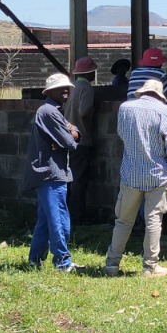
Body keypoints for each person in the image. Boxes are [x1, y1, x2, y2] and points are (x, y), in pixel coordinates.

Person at [105, 79, 167, 278]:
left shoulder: (125, 108)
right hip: (158, 174)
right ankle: (150, 266)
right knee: (153, 221)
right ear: (159, 94)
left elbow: (121, 134)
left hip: (130, 172)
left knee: (123, 220)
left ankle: (112, 263)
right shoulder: (166, 112)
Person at [27, 73, 80, 271]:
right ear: (49, 92)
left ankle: (35, 260)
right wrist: (72, 133)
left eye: (67, 87)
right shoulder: (49, 112)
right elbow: (69, 142)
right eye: (60, 88)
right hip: (52, 173)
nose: (66, 90)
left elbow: (70, 136)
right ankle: (62, 262)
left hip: (47, 173)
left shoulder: (52, 111)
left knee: (45, 220)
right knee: (59, 219)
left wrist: (72, 132)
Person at [63, 56, 98, 222]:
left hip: (69, 139)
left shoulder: (74, 87)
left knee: (69, 179)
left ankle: (67, 213)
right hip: (82, 140)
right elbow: (84, 111)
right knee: (79, 179)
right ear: (90, 73)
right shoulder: (87, 87)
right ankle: (77, 216)